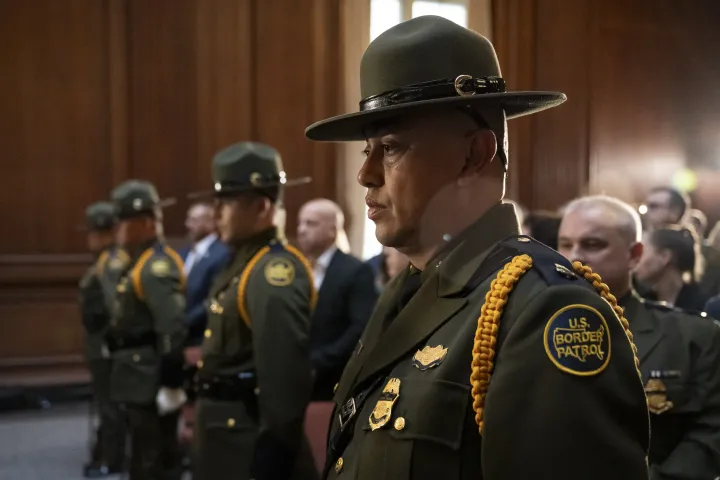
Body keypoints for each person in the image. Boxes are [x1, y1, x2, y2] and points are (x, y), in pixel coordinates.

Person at [304, 15, 649, 480]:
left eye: (391, 147)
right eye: (367, 150)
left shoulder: (543, 309)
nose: (365, 174)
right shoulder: (407, 289)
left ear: (475, 155)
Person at [558, 195, 720, 479]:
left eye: (593, 244)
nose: (575, 257)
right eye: (565, 244)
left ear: (634, 255)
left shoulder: (691, 336)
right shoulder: (528, 330)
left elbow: (711, 431)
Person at [191, 142, 318, 480]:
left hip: (245, 442)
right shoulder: (244, 262)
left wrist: (274, 453)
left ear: (261, 207)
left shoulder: (272, 272)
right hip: (225, 434)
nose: (216, 214)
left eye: (226, 204)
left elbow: (284, 382)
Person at [107, 180, 187, 480]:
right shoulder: (139, 261)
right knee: (143, 455)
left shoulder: (156, 267)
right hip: (136, 376)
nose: (117, 231)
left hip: (149, 378)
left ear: (144, 224)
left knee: (152, 459)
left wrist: (170, 381)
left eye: (123, 223)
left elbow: (171, 325)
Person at [297, 198, 378, 400]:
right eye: (300, 222)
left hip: (332, 380)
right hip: (298, 378)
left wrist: (319, 361)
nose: (301, 229)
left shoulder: (355, 270)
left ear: (333, 230)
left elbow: (360, 329)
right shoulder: (297, 268)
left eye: (311, 223)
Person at [78, 202, 128, 478]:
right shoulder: (103, 261)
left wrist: (111, 343)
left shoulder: (111, 263)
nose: (89, 238)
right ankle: (105, 454)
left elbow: (115, 308)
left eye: (93, 232)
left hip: (105, 347)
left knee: (111, 406)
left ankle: (112, 460)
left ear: (106, 233)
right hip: (99, 345)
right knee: (106, 404)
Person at [635, 225, 710, 312]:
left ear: (665, 257)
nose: (636, 260)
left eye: (642, 252)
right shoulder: (640, 301)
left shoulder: (700, 308)